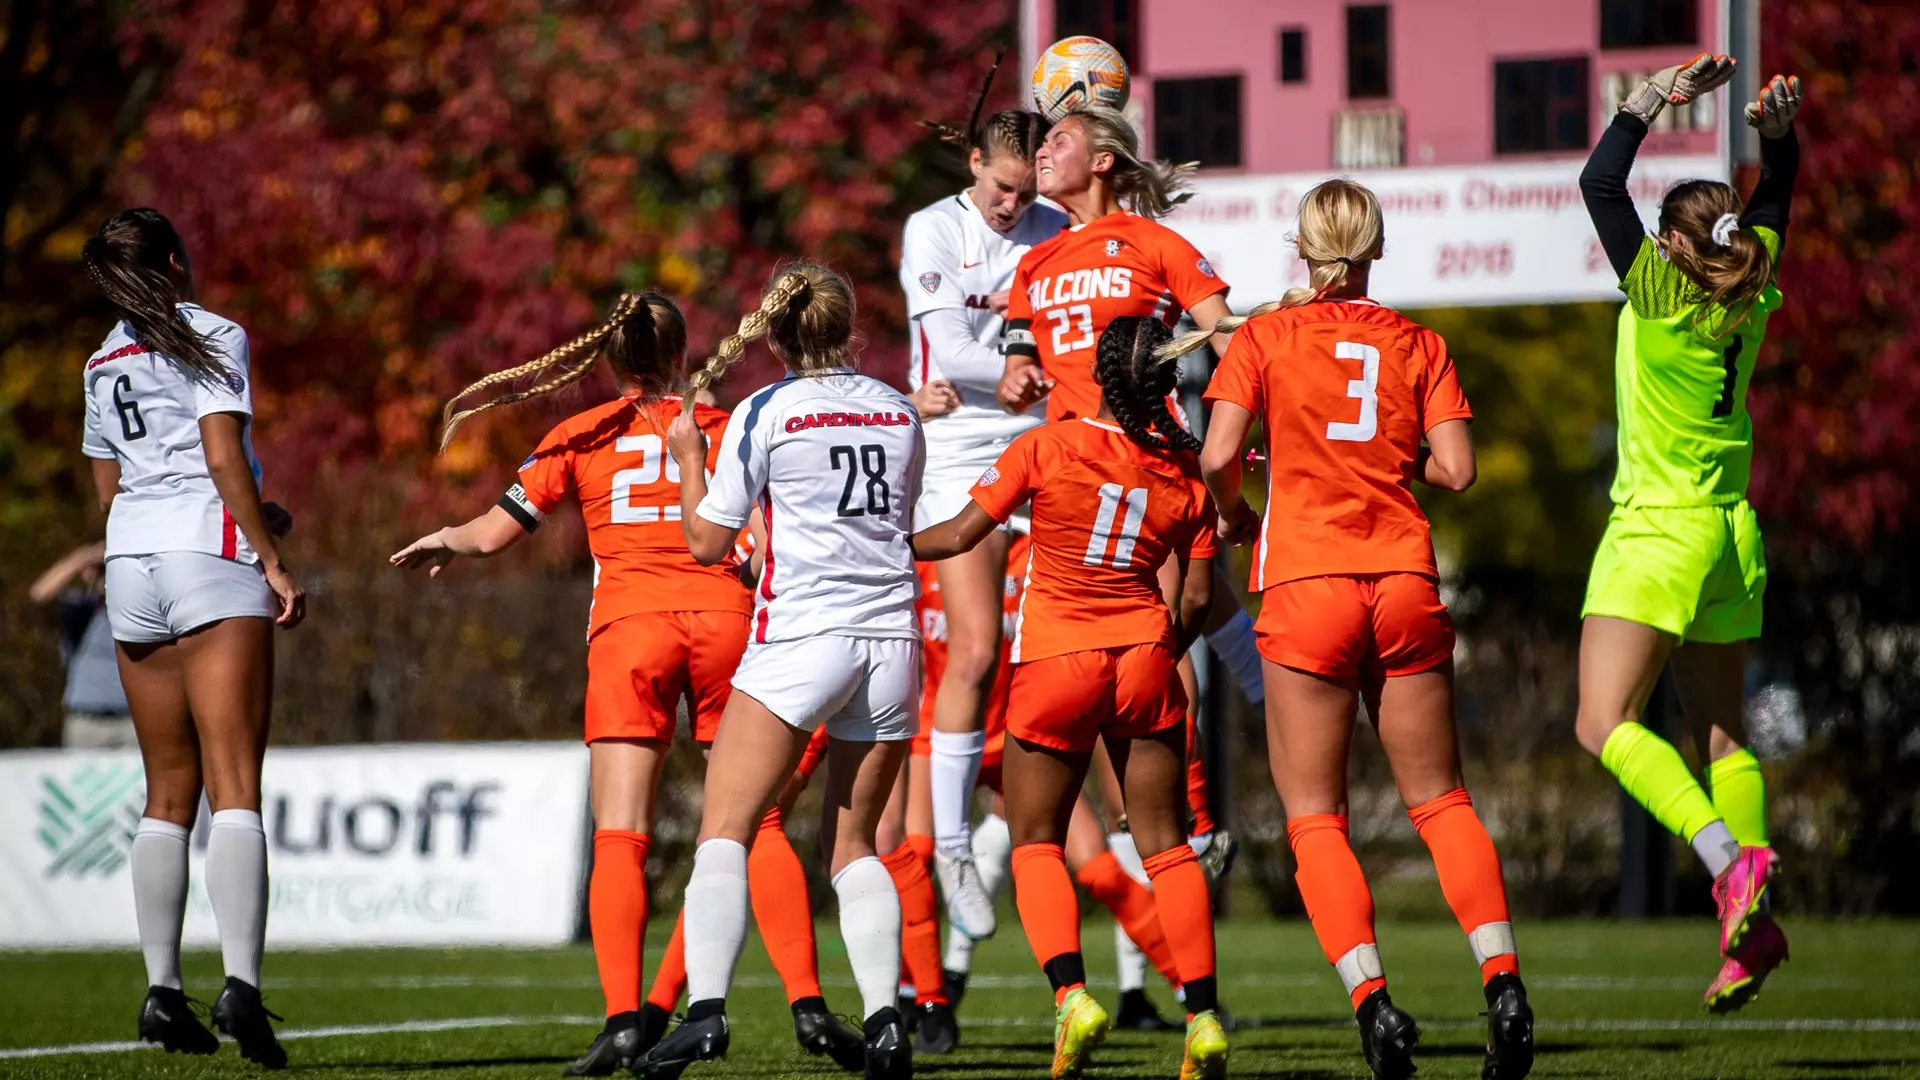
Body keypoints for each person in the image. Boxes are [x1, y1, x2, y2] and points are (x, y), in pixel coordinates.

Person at [390, 292, 863, 1075]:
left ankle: (620, 1021)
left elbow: (496, 531)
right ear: (683, 355)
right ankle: (808, 1004)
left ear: (609, 360)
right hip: (725, 623)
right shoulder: (724, 425)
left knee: (621, 835)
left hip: (630, 630)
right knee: (762, 825)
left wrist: (448, 538)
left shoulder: (582, 432)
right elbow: (759, 542)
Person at [1183, 178, 1532, 1080]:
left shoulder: (1264, 334)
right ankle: (1502, 984)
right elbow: (1456, 471)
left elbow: (1218, 454)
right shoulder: (1420, 342)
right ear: (1375, 249)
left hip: (1306, 584)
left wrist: (1234, 513)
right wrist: (1385, 448)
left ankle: (1374, 1005)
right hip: (1404, 579)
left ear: (1303, 250)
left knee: (1314, 818)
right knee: (1442, 802)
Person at [916, 316, 1227, 1080]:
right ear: (1164, 384)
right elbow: (1193, 605)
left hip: (1058, 664)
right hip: (1145, 660)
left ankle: (1072, 998)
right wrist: (1158, 653)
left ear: (1097, 373)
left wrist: (878, 540)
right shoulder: (1186, 475)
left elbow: (956, 536)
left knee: (1035, 843)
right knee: (1166, 846)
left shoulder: (1043, 447)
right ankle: (1204, 1018)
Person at [637, 265, 924, 1080]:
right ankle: (886, 1023)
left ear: (777, 332)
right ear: (848, 325)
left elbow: (705, 542)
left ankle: (707, 1015)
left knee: (724, 831)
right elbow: (902, 520)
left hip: (803, 635)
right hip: (892, 640)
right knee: (854, 844)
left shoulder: (765, 409)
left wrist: (690, 455)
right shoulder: (900, 409)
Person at [1574, 57, 1802, 1011]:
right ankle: (1744, 939)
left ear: (1672, 244)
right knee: (1721, 735)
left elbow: (1598, 184)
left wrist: (1648, 103)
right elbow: (1778, 201)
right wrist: (1778, 141)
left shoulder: (1663, 296)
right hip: (1729, 536)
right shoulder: (1749, 287)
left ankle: (1725, 866)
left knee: (1602, 724)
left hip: (1658, 535)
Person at [995, 103, 1272, 817]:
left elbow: (1227, 341)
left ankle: (1197, 814)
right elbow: (1017, 371)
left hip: (1151, 459)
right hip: (1074, 475)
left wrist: (1259, 421)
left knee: (1173, 624)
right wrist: (1017, 379)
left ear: (1103, 160)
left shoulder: (1158, 245)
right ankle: (1182, 812)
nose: (1042, 152)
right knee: (1125, 646)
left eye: (1059, 139)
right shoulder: (1033, 262)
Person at [79, 207, 305, 1068]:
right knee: (233, 785)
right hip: (207, 552)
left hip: (129, 562)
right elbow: (217, 458)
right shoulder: (212, 333)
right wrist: (271, 556)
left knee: (165, 794)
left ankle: (162, 992)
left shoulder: (101, 359)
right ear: (176, 262)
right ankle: (241, 986)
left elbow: (110, 487)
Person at [899, 77, 1060, 938]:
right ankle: (955, 848)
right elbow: (949, 346)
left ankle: (1175, 822)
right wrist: (1005, 365)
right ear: (973, 165)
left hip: (1048, 447)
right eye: (1001, 187)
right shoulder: (932, 227)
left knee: (1108, 633)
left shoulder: (1058, 230)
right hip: (962, 455)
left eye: (1026, 192)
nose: (1011, 205)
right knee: (973, 651)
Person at [30, 541, 134, 747]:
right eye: (101, 571)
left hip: (132, 719)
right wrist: (83, 557)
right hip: (86, 720)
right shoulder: (79, 609)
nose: (105, 577)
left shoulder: (140, 610)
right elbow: (39, 594)